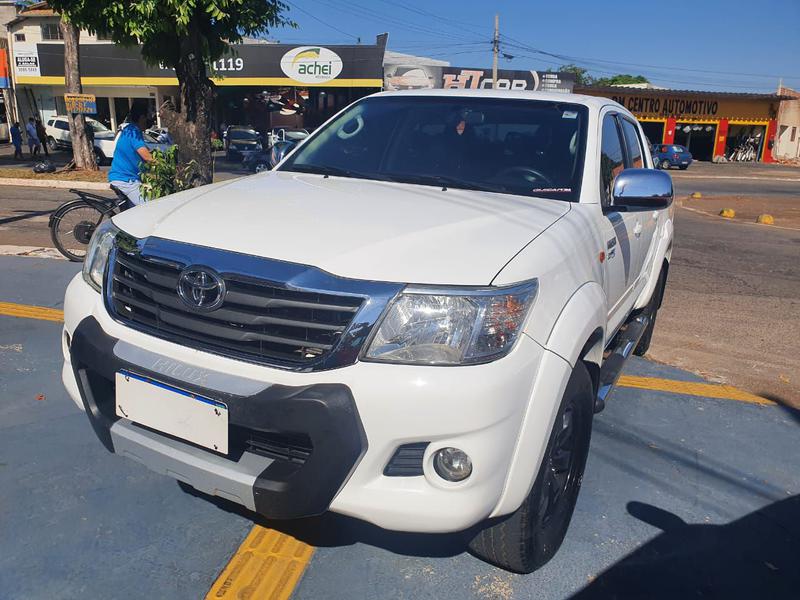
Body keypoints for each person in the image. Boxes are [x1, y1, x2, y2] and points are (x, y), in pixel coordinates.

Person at [108, 101, 154, 206]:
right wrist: (165, 168)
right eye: (149, 117)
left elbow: (146, 151)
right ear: (142, 117)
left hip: (126, 178)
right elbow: (148, 158)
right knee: (149, 206)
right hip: (126, 180)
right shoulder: (134, 133)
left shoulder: (130, 130)